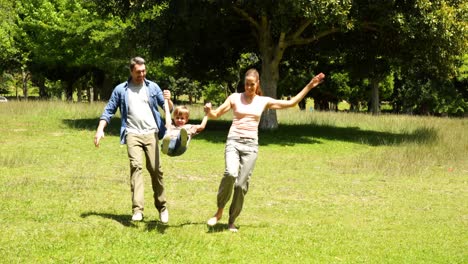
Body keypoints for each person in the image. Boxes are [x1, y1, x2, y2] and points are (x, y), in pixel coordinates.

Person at [204, 68, 325, 232]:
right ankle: (219, 211)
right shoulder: (234, 98)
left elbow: (292, 103)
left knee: (241, 185)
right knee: (230, 173)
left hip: (251, 146)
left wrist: (310, 85)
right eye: (246, 84)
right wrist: (208, 112)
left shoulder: (263, 101)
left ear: (257, 84)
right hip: (234, 142)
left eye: (251, 84)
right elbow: (216, 114)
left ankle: (231, 220)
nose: (248, 88)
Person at [94, 57, 173, 223]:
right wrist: (100, 129)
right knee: (135, 167)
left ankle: (162, 206)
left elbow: (168, 108)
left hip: (151, 132)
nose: (142, 74)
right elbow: (108, 111)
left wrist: (169, 99)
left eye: (144, 71)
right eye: (138, 72)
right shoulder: (121, 90)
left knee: (155, 169)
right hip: (132, 133)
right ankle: (138, 210)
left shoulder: (152, 87)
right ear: (131, 71)